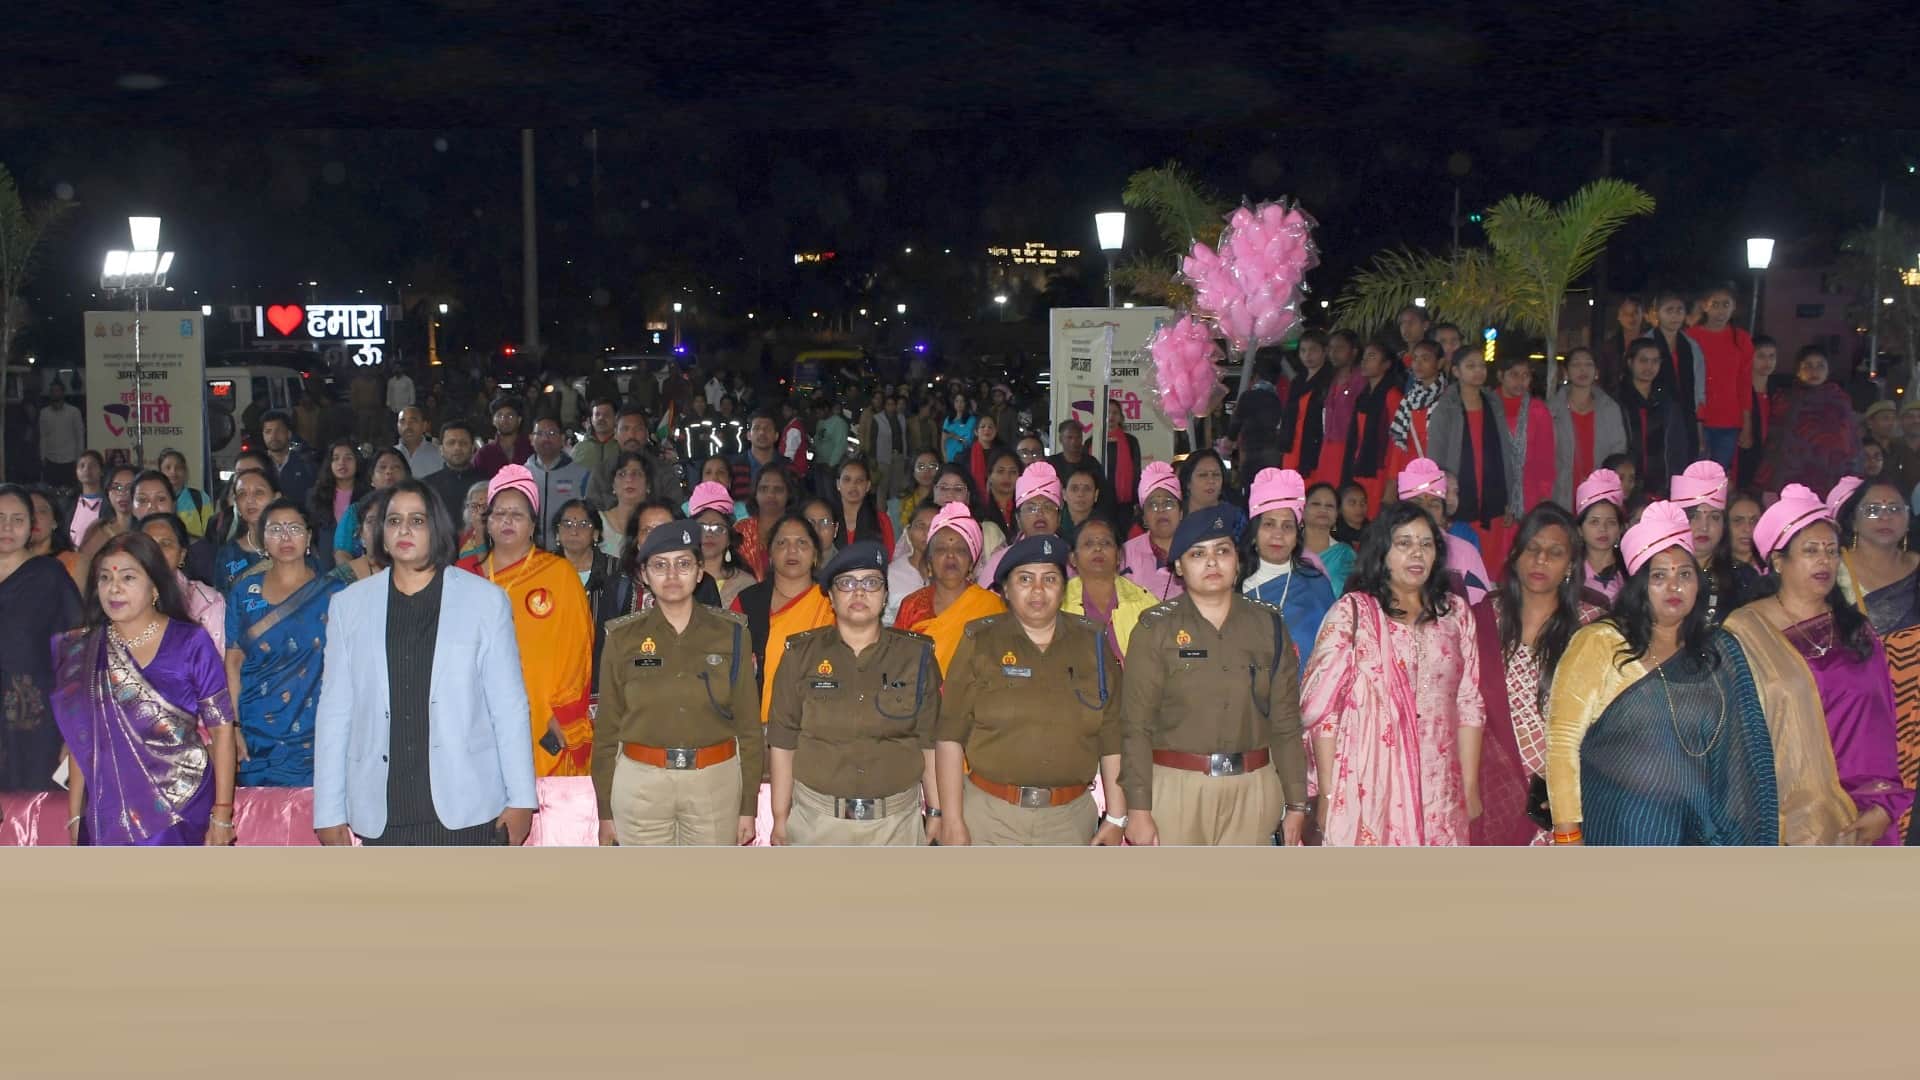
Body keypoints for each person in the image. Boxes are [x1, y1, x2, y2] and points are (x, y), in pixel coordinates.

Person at [313, 480, 539, 846]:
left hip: (469, 808)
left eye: (417, 521)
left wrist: (522, 800)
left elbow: (509, 707)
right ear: (381, 536)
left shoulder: (485, 601)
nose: (404, 530)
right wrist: (328, 810)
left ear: (437, 530)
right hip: (383, 811)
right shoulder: (349, 606)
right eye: (393, 521)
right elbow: (335, 711)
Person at [1544, 502, 1778, 845]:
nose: (1674, 587)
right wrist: (1568, 834)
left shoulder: (1716, 653)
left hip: (1696, 835)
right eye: (1659, 576)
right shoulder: (1600, 643)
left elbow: (1740, 757)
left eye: (1685, 574)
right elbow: (1562, 742)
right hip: (1618, 828)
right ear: (1639, 585)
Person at [1726, 483, 1911, 845]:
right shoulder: (1744, 631)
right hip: (1780, 819)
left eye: (1830, 551)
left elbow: (1882, 726)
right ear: (1778, 561)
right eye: (1810, 551)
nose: (1825, 561)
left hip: (1863, 814)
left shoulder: (1856, 630)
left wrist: (1883, 806)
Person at [1120, 511, 1311, 846]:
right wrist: (1137, 807)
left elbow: (1286, 722)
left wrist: (1296, 803)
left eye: (1222, 551)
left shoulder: (1268, 627)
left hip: (1253, 788)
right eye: (1197, 554)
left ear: (1238, 561)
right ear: (1178, 566)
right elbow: (1135, 726)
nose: (1212, 562)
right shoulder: (1155, 630)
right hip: (1177, 789)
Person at [1302, 502, 1485, 845]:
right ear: (1382, 551)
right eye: (1404, 543)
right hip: (1370, 789)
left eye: (1426, 544)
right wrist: (1328, 796)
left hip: (1441, 792)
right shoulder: (1352, 614)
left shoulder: (1457, 615)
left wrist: (1470, 786)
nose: (1417, 552)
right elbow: (1323, 713)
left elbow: (1469, 703)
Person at [935, 534, 1123, 846]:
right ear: (1006, 590)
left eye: (1050, 578)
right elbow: (949, 736)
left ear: (1063, 588)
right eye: (1025, 579)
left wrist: (1117, 816)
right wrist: (952, 820)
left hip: (1070, 820)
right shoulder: (980, 642)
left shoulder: (1093, 644)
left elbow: (1114, 735)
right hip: (989, 816)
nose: (1038, 589)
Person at [52, 532, 239, 845]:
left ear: (154, 586)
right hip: (106, 808)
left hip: (181, 803)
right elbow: (82, 740)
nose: (114, 589)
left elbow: (222, 732)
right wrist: (75, 815)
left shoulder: (190, 642)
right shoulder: (85, 650)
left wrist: (222, 813)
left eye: (127, 577)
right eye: (104, 578)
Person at [593, 519, 762, 846]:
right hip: (641, 783)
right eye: (660, 565)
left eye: (683, 564)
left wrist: (748, 806)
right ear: (644, 574)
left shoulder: (733, 633)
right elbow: (607, 729)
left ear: (700, 572)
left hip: (714, 782)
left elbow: (749, 727)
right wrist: (604, 810)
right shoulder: (622, 638)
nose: (672, 575)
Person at [762, 542, 941, 845]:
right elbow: (783, 740)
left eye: (871, 582)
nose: (859, 593)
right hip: (817, 822)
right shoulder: (800, 655)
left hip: (896, 825)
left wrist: (936, 810)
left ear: (885, 595)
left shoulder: (916, 656)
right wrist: (780, 817)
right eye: (847, 583)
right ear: (831, 596)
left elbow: (930, 739)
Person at [1470, 504, 1605, 846]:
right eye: (1532, 548)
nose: (1541, 559)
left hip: (1562, 796)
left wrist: (1580, 789)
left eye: (1555, 553)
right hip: (1489, 793)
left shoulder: (1593, 626)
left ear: (1571, 566)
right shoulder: (1480, 619)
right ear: (1516, 555)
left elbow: (1610, 722)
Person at [456, 464, 595, 778]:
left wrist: (564, 718)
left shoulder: (559, 575)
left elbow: (579, 651)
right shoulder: (463, 576)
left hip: (543, 721)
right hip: (476, 720)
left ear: (533, 524)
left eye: (517, 514)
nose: (507, 520)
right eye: (499, 513)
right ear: (487, 523)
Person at [223, 498, 343, 787]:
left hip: (316, 734)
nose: (285, 536)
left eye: (294, 528)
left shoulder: (335, 592)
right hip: (255, 732)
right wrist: (234, 727)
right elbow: (234, 661)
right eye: (275, 529)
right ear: (262, 539)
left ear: (309, 536)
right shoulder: (243, 591)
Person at [1831, 477, 1920, 841]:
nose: (1885, 516)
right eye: (1873, 509)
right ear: (1852, 520)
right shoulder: (1832, 570)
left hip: (1913, 711)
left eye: (1895, 509)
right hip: (1855, 715)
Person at [0, 484, 85, 792]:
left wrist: (74, 732)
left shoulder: (50, 576)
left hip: (37, 721)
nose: (7, 527)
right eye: (0, 517)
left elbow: (76, 653)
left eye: (17, 519)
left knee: (35, 817)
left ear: (31, 526)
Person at [1238, 468, 1335, 677]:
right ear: (1254, 533)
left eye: (1287, 526)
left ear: (1297, 535)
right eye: (1269, 524)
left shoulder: (1316, 584)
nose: (1278, 535)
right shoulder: (1233, 585)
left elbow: (1336, 653)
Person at [1427, 347, 1514, 573]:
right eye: (1471, 366)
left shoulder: (1493, 404)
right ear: (1456, 371)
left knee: (1491, 559)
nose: (1478, 371)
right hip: (1459, 496)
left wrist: (1509, 496)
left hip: (1492, 494)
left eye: (1482, 366)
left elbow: (1505, 452)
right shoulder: (1445, 408)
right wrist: (1440, 497)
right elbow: (1435, 457)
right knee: (1460, 560)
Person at [895, 502, 1007, 675]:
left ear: (971, 562)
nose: (950, 555)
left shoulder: (992, 606)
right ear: (930, 561)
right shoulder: (911, 605)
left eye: (960, 550)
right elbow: (897, 664)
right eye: (941, 550)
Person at [1757, 346, 1861, 498]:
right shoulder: (1786, 399)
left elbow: (1850, 440)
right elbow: (1776, 440)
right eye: (1808, 366)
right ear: (1798, 370)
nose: (1814, 371)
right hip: (1794, 475)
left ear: (1828, 370)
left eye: (1820, 366)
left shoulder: (1840, 399)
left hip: (1835, 475)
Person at [552, 497, 632, 693]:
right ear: (557, 532)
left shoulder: (617, 570)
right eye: (567, 524)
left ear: (596, 533)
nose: (574, 530)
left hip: (604, 675)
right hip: (554, 674)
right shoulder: (544, 571)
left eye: (583, 524)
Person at [1061, 513, 1157, 666]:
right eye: (1088, 544)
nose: (1098, 548)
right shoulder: (1058, 603)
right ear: (1073, 558)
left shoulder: (1144, 602)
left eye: (1106, 543)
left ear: (1119, 556)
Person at [1548, 347, 1629, 509]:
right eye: (1576, 365)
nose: (1583, 369)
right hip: (1561, 492)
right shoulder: (1551, 410)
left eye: (1588, 364)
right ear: (1566, 372)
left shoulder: (1610, 409)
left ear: (1596, 372)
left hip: (1600, 493)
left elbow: (1618, 452)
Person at [1685, 284, 1755, 469]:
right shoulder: (1690, 337)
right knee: (1696, 473)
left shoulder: (1741, 338)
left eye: (1726, 304)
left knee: (1719, 475)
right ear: (1705, 306)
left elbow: (1745, 383)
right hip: (1698, 419)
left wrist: (1746, 424)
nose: (1720, 310)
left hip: (1729, 420)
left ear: (1734, 307)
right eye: (1715, 304)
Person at [1617, 337, 1695, 498]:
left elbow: (1678, 446)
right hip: (1626, 481)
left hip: (1661, 483)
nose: (1649, 367)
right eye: (1643, 361)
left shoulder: (1667, 401)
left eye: (1655, 361)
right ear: (1630, 362)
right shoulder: (1617, 400)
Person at [139, 512, 224, 652]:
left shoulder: (207, 603)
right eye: (148, 544)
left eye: (165, 544)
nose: (156, 552)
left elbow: (215, 664)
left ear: (181, 555)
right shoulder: (121, 596)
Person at [1340, 341, 1405, 515]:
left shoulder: (1393, 396)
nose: (1364, 361)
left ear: (1386, 365)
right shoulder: (1364, 395)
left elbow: (1396, 443)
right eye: (1364, 357)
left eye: (1372, 356)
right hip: (1359, 466)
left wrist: (1391, 482)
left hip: (1379, 472)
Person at [975, 460, 1064, 586]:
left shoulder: (1071, 560)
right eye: (1031, 508)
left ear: (1059, 517)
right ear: (1018, 519)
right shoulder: (1000, 561)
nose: (1040, 513)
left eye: (1048, 507)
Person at [1671, 460, 1738, 625]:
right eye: (1694, 516)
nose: (1704, 526)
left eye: (1714, 517)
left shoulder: (1742, 579)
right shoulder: (1656, 575)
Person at [687, 480, 758, 609]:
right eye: (702, 527)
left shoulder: (746, 584)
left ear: (729, 539)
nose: (709, 534)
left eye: (718, 528)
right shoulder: (680, 578)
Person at [1383, 340, 1447, 481]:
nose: (1418, 364)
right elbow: (1399, 444)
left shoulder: (1448, 400)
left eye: (1425, 359)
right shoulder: (1409, 400)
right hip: (1410, 471)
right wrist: (1393, 479)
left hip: (1437, 474)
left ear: (1440, 363)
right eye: (1415, 359)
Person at [334, 447, 409, 567]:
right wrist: (361, 579)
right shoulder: (356, 511)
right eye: (382, 467)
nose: (389, 471)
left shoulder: (416, 510)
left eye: (396, 467)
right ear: (372, 479)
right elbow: (342, 553)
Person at [1646, 290, 1707, 439]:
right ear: (1658, 313)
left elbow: (1698, 385)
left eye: (1679, 310)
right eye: (1669, 310)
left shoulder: (1691, 346)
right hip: (1653, 411)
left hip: (1686, 412)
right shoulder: (1646, 343)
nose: (1675, 315)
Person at [1122, 462, 1185, 601]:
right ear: (1143, 517)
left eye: (1168, 504)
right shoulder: (1125, 553)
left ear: (1181, 513)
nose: (1161, 510)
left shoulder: (1195, 550)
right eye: (1153, 505)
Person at [210, 468, 279, 596]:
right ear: (236, 504)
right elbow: (222, 603)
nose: (250, 500)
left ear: (276, 498)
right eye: (242, 494)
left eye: (258, 492)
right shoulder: (228, 554)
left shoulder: (292, 543)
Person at [525, 415, 591, 544]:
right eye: (540, 433)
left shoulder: (581, 475)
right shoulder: (521, 475)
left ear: (562, 439)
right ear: (531, 439)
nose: (546, 438)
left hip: (568, 551)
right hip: (529, 552)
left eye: (552, 433)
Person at [310, 438, 368, 568]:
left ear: (357, 462)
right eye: (336, 458)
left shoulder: (367, 497)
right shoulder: (316, 496)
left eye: (348, 458)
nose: (341, 463)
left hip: (359, 566)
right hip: (323, 565)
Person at [1575, 468, 1628, 608]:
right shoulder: (1568, 571)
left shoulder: (1630, 572)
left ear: (1620, 529)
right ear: (1580, 529)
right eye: (1594, 522)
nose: (1603, 529)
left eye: (1611, 522)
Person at [1228, 356, 1287, 476]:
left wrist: (1230, 438)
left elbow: (1236, 422)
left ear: (1256, 376)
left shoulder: (1247, 396)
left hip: (1251, 450)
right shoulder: (1278, 398)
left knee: (1252, 485)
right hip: (1273, 452)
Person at [421, 419, 485, 518]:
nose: (457, 447)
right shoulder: (426, 486)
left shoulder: (486, 483)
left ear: (473, 449)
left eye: (463, 443)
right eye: (451, 443)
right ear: (441, 450)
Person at [1737, 336, 1779, 488]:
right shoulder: (1740, 391)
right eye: (1761, 356)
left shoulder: (1778, 393)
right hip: (1743, 457)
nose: (1767, 362)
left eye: (1772, 356)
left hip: (1769, 460)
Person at [883, 501, 934, 625]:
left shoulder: (951, 574)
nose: (927, 532)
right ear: (909, 532)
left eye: (934, 526)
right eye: (920, 526)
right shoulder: (891, 574)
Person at [1300, 482, 1355, 596]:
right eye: (1316, 504)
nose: (1323, 509)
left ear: (1336, 514)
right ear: (1302, 510)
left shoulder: (1346, 555)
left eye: (1329, 506)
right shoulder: (1289, 549)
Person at [834, 458, 895, 558]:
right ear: (838, 484)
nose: (853, 485)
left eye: (859, 480)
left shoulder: (881, 520)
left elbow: (888, 557)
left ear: (867, 486)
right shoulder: (828, 519)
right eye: (847, 479)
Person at [1182, 449, 1246, 537]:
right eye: (1203, 475)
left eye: (1216, 475)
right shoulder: (1176, 516)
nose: (1211, 481)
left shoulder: (1235, 517)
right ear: (1188, 482)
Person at [260, 409, 317, 509]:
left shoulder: (305, 464)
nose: (273, 436)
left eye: (278, 430)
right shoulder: (258, 464)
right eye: (268, 432)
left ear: (289, 434)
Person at [36, 381, 86, 489]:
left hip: (70, 459)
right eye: (52, 391)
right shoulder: (44, 413)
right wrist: (42, 457)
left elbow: (79, 435)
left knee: (71, 492)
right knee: (51, 492)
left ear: (63, 393)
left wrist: (79, 458)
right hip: (51, 459)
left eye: (57, 391)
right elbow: (43, 436)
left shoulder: (74, 412)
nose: (55, 393)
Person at [157, 450, 214, 540]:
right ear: (160, 472)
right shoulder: (154, 501)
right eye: (168, 468)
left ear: (185, 471)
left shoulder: (200, 498)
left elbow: (211, 535)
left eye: (178, 468)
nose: (173, 472)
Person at [472, 395, 533, 480]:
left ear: (519, 420)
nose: (504, 419)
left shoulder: (531, 448)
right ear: (493, 421)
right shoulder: (484, 453)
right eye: (499, 416)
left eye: (510, 416)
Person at [1726, 489, 1767, 600]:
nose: (1748, 529)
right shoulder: (1715, 574)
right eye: (1738, 521)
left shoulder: (1774, 567)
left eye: (1754, 521)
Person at [67, 450, 107, 547]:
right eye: (82, 466)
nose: (86, 469)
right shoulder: (68, 503)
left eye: (92, 465)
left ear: (101, 471)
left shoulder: (110, 503)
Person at [394, 405, 443, 478]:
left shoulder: (439, 455)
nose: (407, 426)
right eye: (402, 421)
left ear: (424, 426)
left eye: (413, 421)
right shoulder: (390, 455)